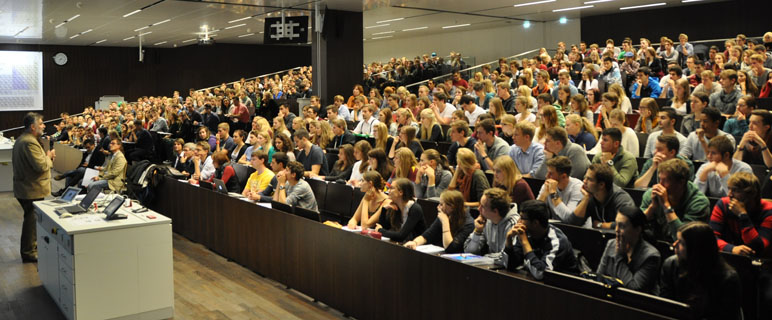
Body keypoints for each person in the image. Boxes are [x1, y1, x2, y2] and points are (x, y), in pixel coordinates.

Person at [660, 222, 742, 320]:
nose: (674, 245)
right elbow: (665, 306)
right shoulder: (671, 265)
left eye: (681, 242)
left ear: (695, 248)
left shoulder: (727, 278)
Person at [13, 113, 55, 262]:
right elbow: (41, 166)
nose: (44, 126)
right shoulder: (29, 142)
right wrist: (49, 157)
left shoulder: (23, 139)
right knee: (30, 222)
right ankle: (29, 252)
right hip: (31, 189)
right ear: (33, 126)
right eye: (42, 123)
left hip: (26, 187)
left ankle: (32, 248)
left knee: (31, 220)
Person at [504, 200, 578, 278]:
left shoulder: (557, 241)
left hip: (564, 286)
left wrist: (525, 242)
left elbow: (541, 273)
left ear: (535, 223)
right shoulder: (526, 234)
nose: (518, 221)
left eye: (522, 218)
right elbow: (509, 265)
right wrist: (508, 240)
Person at [641, 158, 710, 243]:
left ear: (681, 182)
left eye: (665, 180)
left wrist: (666, 206)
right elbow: (636, 227)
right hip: (655, 246)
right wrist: (652, 207)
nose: (660, 185)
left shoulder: (699, 203)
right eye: (660, 179)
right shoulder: (651, 195)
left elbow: (686, 239)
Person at [597, 207, 661, 294]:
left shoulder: (651, 256)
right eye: (616, 224)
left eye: (622, 226)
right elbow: (598, 278)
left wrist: (619, 256)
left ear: (637, 230)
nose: (616, 230)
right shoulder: (611, 244)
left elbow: (634, 290)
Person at [404, 190, 474, 254]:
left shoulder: (468, 224)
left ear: (452, 207)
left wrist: (445, 223)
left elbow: (451, 248)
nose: (438, 207)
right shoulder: (444, 217)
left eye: (441, 204)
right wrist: (415, 242)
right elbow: (427, 236)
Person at [464, 188, 520, 266]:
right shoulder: (487, 220)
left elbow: (506, 257)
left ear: (495, 211)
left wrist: (484, 258)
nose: (478, 209)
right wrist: (477, 232)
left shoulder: (514, 224)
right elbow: (469, 252)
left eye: (482, 206)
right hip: (492, 267)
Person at [571, 163, 635, 229]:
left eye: (589, 179)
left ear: (601, 185)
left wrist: (600, 225)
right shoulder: (590, 197)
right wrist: (586, 198)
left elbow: (628, 222)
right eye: (585, 178)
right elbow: (573, 223)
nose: (584, 181)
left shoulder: (621, 198)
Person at [537, 156, 584, 226]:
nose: (546, 176)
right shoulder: (548, 185)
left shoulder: (578, 187)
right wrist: (544, 194)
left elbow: (568, 218)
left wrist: (553, 194)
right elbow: (535, 212)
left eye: (551, 173)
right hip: (556, 228)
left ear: (563, 176)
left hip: (577, 229)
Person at [375, 178, 426, 242]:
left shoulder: (415, 209)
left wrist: (380, 230)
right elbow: (383, 227)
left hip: (417, 247)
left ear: (401, 192)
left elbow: (401, 236)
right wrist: (384, 210)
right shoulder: (395, 207)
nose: (388, 191)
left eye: (392, 188)